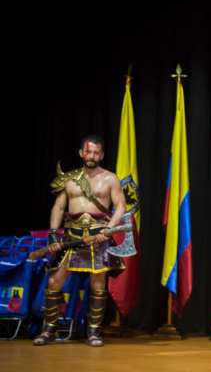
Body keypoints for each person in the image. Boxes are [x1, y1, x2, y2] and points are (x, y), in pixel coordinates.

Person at [34, 135, 127, 347]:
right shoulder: (69, 179)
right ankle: (49, 330)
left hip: (98, 235)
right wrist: (53, 234)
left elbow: (120, 206)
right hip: (71, 237)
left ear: (102, 155)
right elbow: (58, 207)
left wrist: (109, 228)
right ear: (81, 153)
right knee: (54, 281)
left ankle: (93, 332)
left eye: (96, 153)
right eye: (88, 152)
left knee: (98, 284)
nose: (91, 156)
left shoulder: (110, 178)